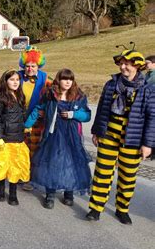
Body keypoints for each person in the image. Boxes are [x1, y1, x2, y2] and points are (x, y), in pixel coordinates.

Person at [86, 48, 155, 225]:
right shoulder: (111, 84)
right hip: (109, 134)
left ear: (137, 67)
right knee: (102, 172)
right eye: (121, 64)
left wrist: (147, 144)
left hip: (133, 138)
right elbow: (102, 109)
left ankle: (122, 209)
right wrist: (96, 131)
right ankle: (95, 208)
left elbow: (152, 117)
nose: (123, 67)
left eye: (127, 64)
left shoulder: (147, 89)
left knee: (127, 176)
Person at [25, 69, 92, 209]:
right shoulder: (50, 94)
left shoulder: (79, 96)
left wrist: (74, 114)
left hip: (72, 136)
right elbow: (38, 109)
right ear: (58, 80)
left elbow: (87, 115)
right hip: (53, 134)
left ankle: (69, 192)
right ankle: (50, 193)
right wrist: (26, 125)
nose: (68, 82)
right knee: (52, 162)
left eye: (70, 79)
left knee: (70, 163)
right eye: (64, 79)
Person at [0, 70, 30, 206]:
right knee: (2, 165)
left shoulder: (20, 96)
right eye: (12, 79)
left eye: (17, 79)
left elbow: (23, 114)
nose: (15, 82)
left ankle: (13, 193)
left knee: (15, 166)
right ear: (5, 81)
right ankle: (0, 189)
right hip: (4, 139)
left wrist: (25, 126)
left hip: (17, 138)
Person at [18, 46, 52, 190]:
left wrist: (47, 111)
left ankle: (30, 178)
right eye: (27, 66)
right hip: (18, 119)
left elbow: (55, 97)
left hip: (37, 121)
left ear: (38, 65)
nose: (30, 68)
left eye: (33, 66)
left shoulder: (45, 79)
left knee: (33, 150)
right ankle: (20, 174)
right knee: (20, 148)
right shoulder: (17, 76)